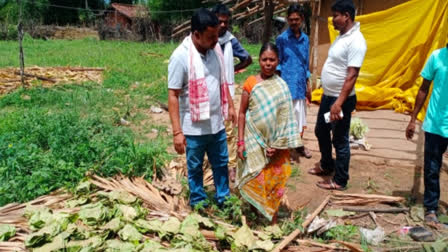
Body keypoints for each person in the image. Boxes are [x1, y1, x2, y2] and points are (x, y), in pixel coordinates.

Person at [167, 8, 237, 208]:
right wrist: (177, 132)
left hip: (216, 124)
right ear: (196, 35)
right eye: (211, 37)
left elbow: (222, 80)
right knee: (195, 167)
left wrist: (230, 106)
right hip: (193, 128)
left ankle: (223, 199)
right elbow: (173, 95)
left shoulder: (215, 50)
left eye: (217, 36)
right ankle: (198, 202)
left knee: (221, 163)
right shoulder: (180, 57)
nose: (216, 40)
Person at [236, 43, 302, 223]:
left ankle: (271, 218)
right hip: (253, 140)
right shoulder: (251, 82)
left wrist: (278, 145)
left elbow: (286, 120)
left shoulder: (281, 86)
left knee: (273, 181)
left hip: (275, 146)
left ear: (277, 61)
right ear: (259, 60)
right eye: (264, 59)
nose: (268, 63)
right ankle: (253, 215)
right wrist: (240, 142)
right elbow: (242, 112)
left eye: (272, 60)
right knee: (254, 177)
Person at [309, 0, 367, 190]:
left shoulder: (356, 41)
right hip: (329, 96)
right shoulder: (342, 36)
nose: (332, 19)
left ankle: (340, 180)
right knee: (321, 130)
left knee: (340, 139)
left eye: (336, 16)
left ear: (346, 16)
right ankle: (327, 165)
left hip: (341, 100)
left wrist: (339, 104)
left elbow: (352, 75)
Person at [406, 45, 448, 225]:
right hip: (435, 124)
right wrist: (413, 118)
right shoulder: (437, 56)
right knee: (432, 167)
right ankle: (431, 208)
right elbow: (424, 88)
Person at [212, 4, 253, 181]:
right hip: (208, 89)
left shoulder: (230, 41)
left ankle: (230, 165)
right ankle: (213, 159)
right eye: (219, 22)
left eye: (226, 22)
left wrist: (232, 70)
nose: (222, 25)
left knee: (228, 127)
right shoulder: (206, 38)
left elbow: (247, 59)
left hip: (226, 89)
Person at [276, 4, 312, 159]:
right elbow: (278, 63)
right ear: (287, 19)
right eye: (291, 19)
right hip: (286, 84)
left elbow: (305, 63)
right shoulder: (282, 39)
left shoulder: (305, 39)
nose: (294, 22)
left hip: (300, 85)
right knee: (285, 118)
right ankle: (284, 150)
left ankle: (298, 145)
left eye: (296, 19)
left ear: (302, 19)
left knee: (299, 117)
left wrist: (308, 82)